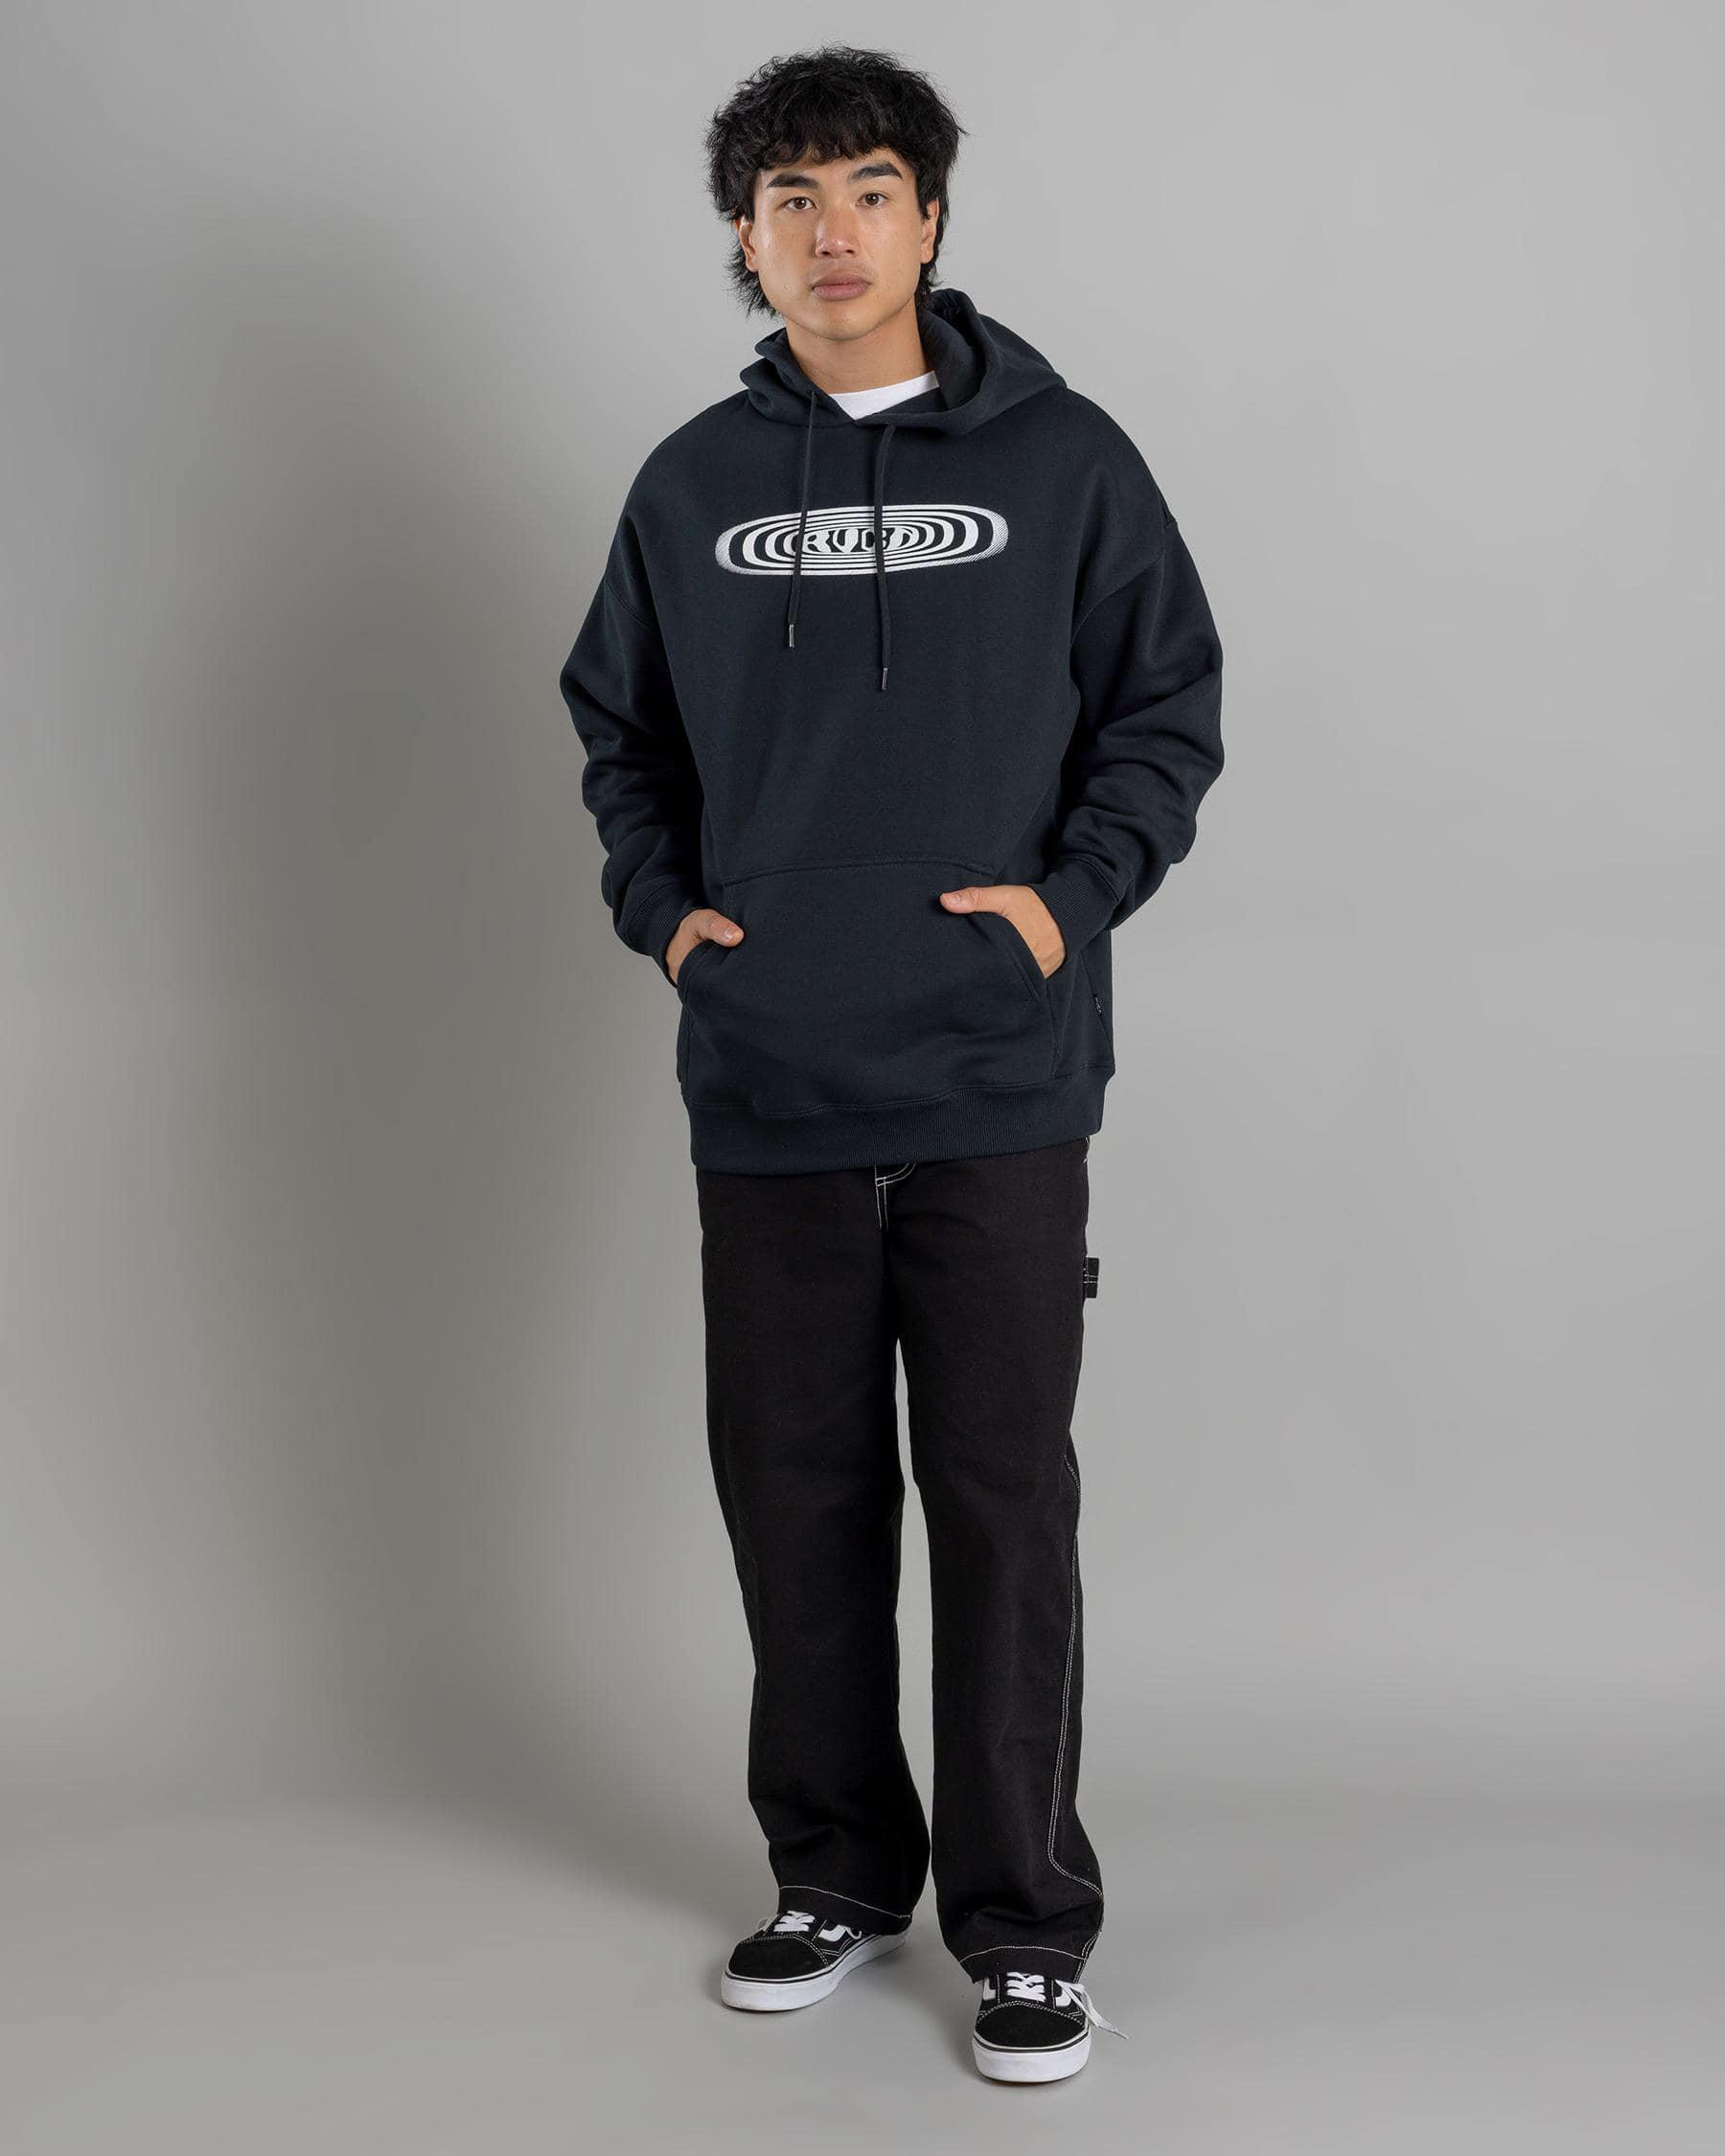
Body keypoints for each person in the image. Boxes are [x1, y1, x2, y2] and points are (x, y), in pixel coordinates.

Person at [560, 43, 1224, 2084]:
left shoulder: (1067, 459)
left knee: (1005, 1499)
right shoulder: (691, 485)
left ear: (930, 217)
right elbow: (619, 736)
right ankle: (837, 1872)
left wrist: (1062, 906)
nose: (831, 230)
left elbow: (1167, 709)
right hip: (768, 1079)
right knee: (797, 1492)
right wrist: (670, 917)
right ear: (744, 239)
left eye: (867, 189)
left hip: (997, 1074)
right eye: (790, 199)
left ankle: (1026, 1923)